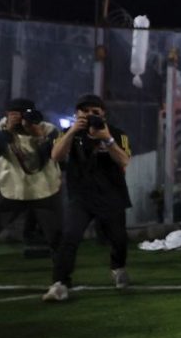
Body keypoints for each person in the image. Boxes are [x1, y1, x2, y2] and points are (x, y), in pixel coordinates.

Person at [0, 98, 63, 297]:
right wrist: (7, 131)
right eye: (14, 113)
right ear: (7, 114)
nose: (20, 118)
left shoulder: (48, 129)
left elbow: (44, 159)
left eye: (24, 114)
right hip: (11, 189)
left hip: (44, 190)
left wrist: (38, 136)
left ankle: (61, 281)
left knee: (57, 238)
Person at [43, 94, 132, 301]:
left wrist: (106, 139)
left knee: (119, 239)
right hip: (81, 197)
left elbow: (124, 161)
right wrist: (73, 131)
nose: (89, 115)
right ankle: (60, 282)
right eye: (84, 111)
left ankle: (117, 266)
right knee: (70, 237)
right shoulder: (69, 133)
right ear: (77, 114)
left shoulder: (117, 134)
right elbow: (56, 156)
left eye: (95, 112)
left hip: (112, 195)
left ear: (103, 115)